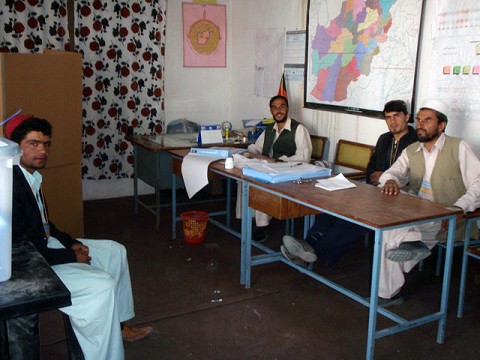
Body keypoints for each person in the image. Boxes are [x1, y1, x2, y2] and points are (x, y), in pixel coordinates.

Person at [5, 115, 152, 360]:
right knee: (102, 285)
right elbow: (24, 249)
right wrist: (70, 256)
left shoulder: (30, 176)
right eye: (33, 144)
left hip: (44, 244)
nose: (42, 150)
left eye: (46, 144)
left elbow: (44, 223)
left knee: (115, 251)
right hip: (31, 264)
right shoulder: (11, 184)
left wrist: (71, 241)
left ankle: (118, 326)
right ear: (15, 146)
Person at [281, 100, 418, 275]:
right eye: (388, 118)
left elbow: (413, 176)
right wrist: (374, 177)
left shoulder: (416, 144)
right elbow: (371, 166)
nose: (392, 122)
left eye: (397, 116)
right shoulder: (384, 139)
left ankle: (316, 253)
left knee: (356, 221)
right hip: (374, 192)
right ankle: (308, 245)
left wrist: (384, 176)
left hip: (398, 198)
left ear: (407, 117)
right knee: (334, 209)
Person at [235, 95, 312, 241]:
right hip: (269, 166)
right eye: (275, 108)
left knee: (262, 182)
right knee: (243, 177)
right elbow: (256, 146)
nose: (279, 110)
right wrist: (250, 152)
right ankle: (245, 218)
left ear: (287, 108)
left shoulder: (299, 129)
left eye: (282, 106)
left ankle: (261, 226)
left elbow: (304, 157)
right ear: (271, 111)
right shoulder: (269, 128)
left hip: (289, 170)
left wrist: (278, 160)